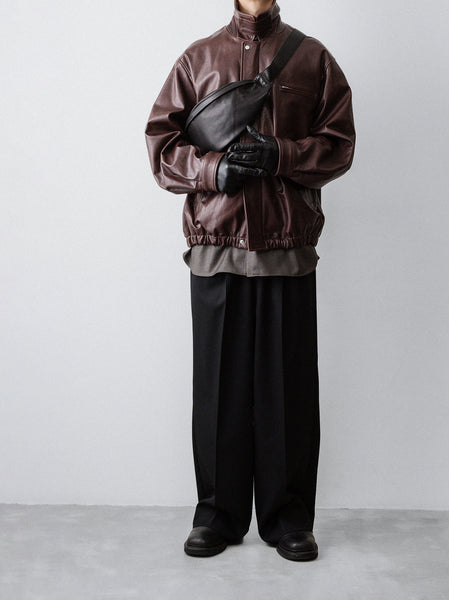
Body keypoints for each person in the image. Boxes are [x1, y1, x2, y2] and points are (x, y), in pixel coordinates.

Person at [144, 0, 355, 561]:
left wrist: (279, 155)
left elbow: (339, 146)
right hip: (215, 247)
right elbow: (162, 148)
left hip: (287, 249)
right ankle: (217, 514)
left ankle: (289, 520)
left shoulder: (312, 58)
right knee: (218, 391)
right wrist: (215, 169)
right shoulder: (197, 59)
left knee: (289, 391)